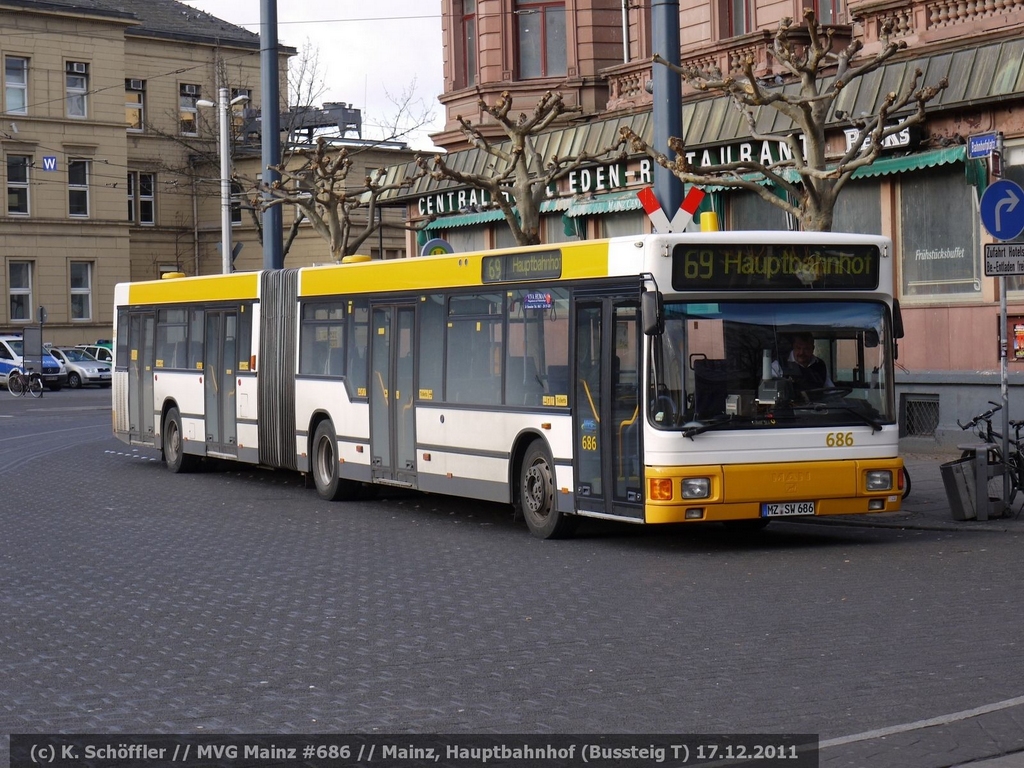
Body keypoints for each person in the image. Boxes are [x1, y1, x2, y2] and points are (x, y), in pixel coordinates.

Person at [771, 332, 834, 400]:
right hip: (788, 408)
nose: (802, 353)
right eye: (798, 348)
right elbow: (770, 392)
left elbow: (831, 392)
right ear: (793, 346)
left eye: (806, 349)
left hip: (816, 408)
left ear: (813, 348)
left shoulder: (820, 365)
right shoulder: (779, 364)